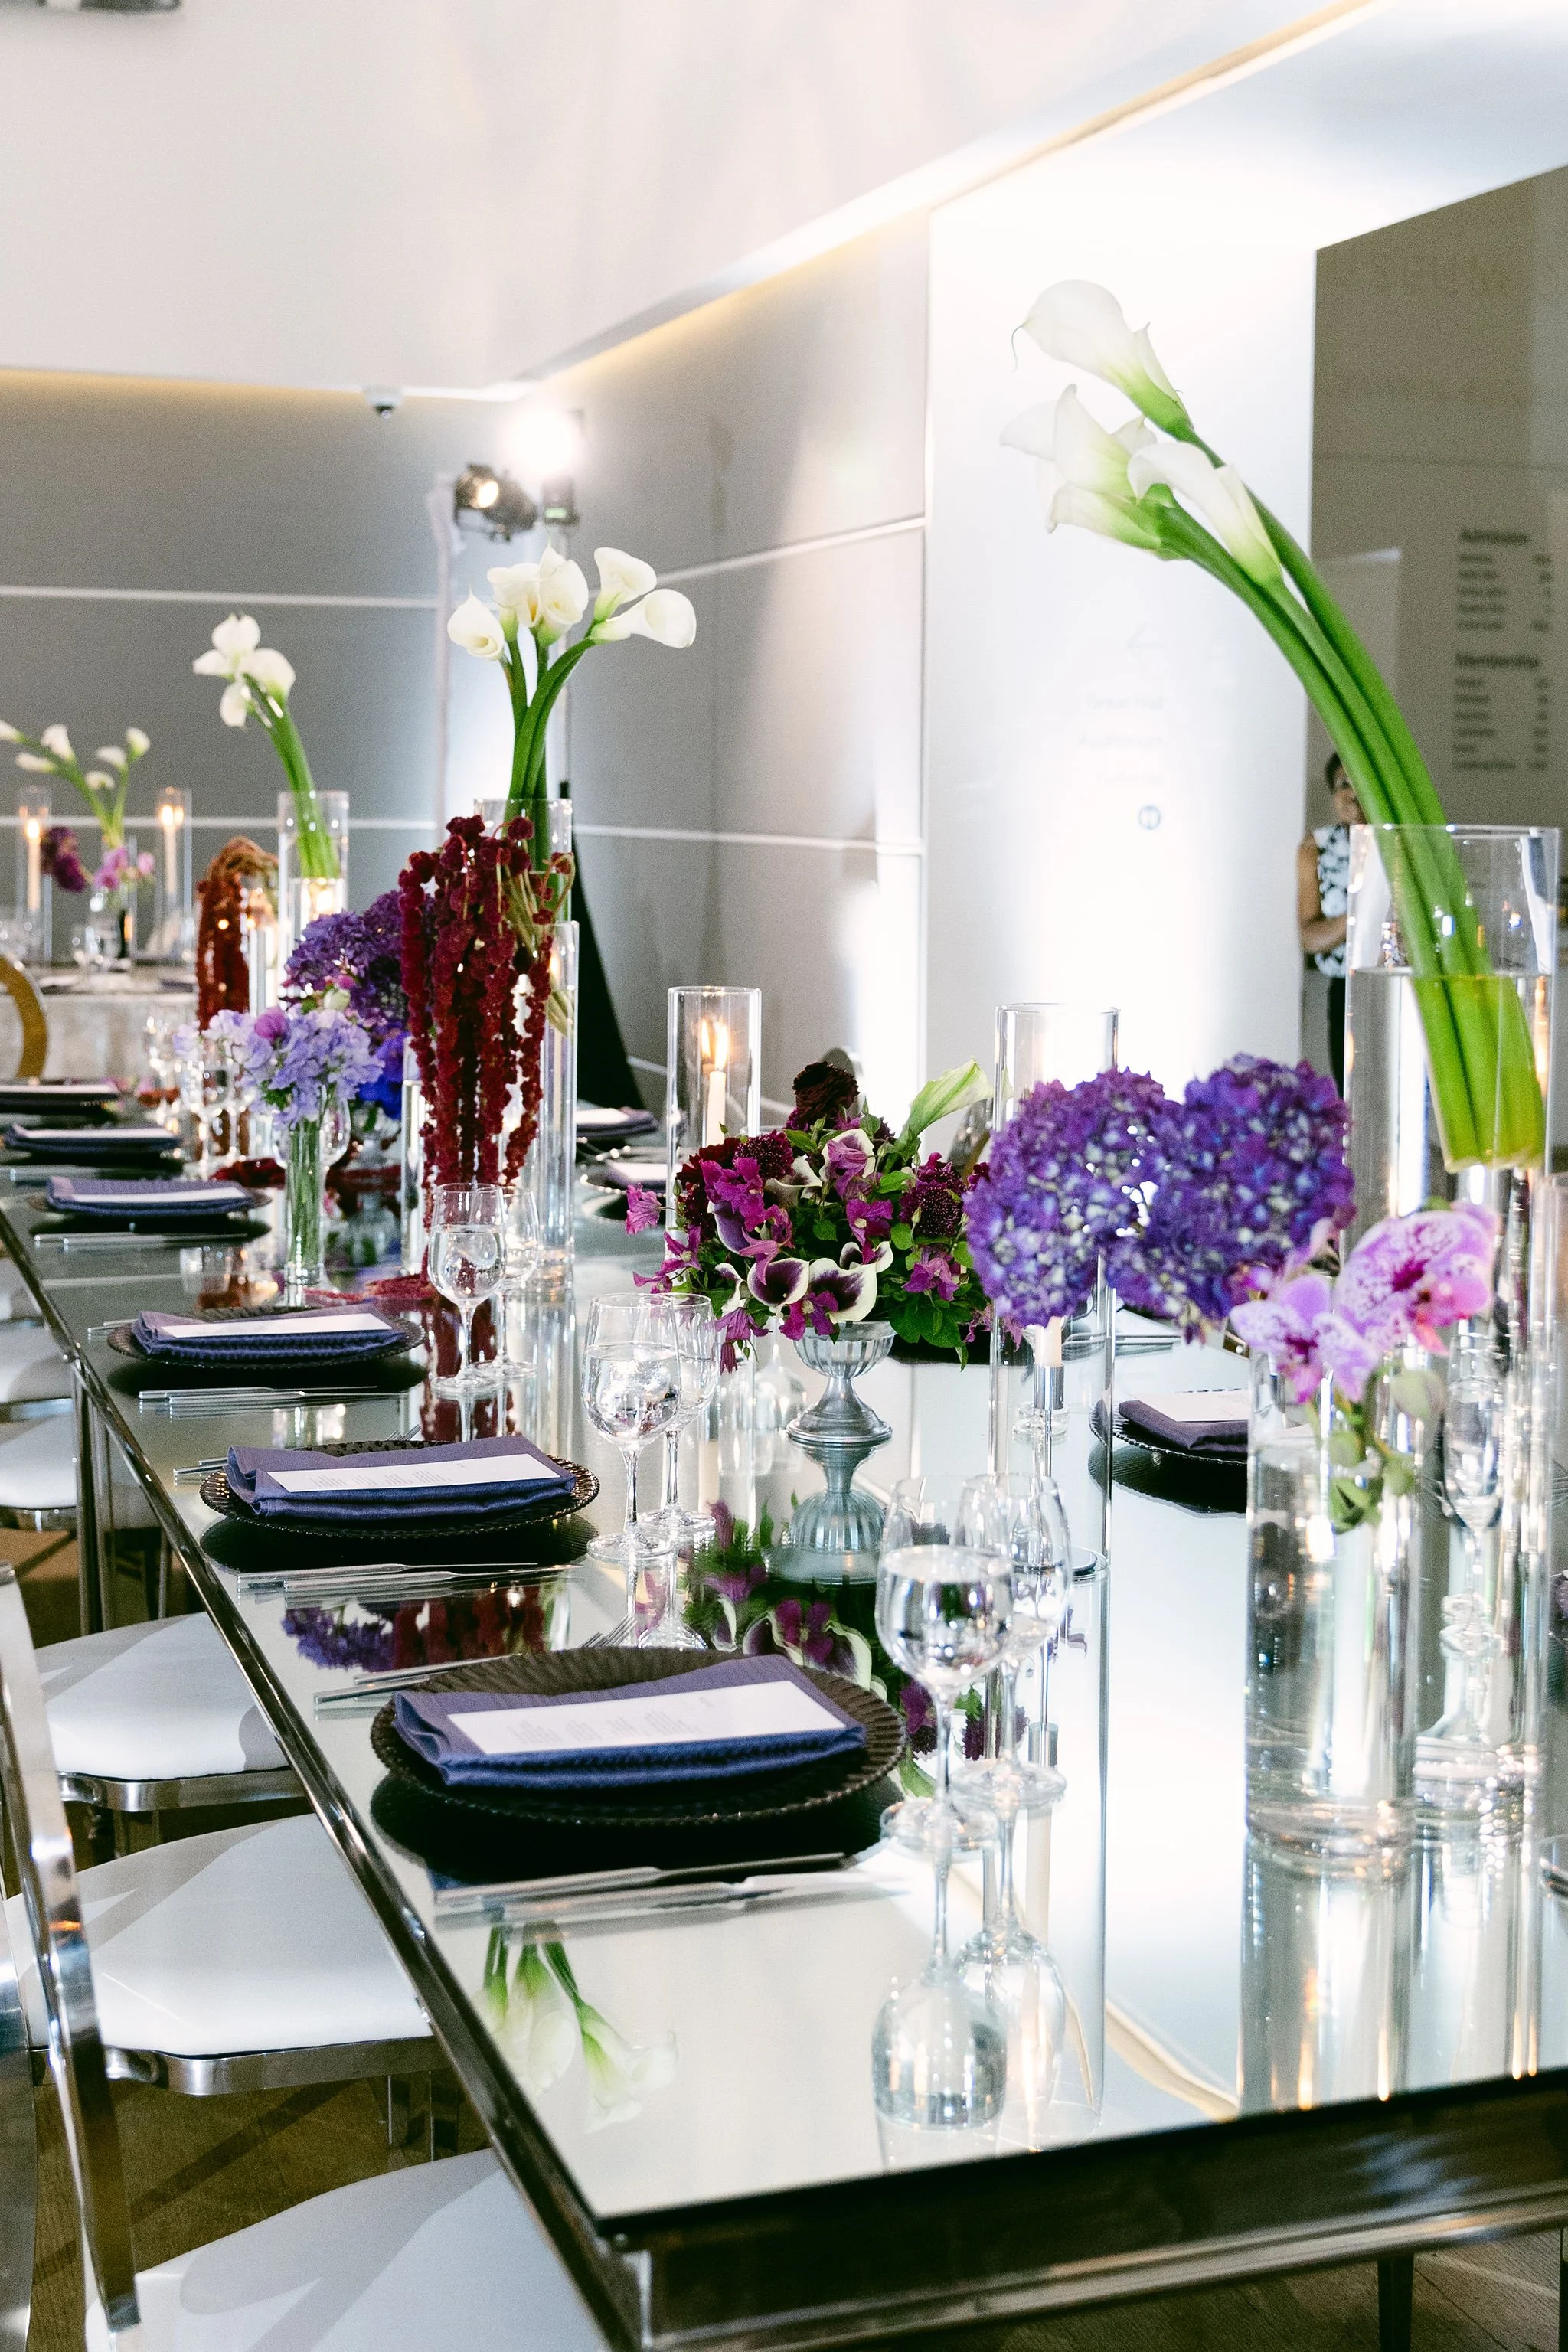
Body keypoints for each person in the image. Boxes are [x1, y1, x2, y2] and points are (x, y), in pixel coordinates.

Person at [1297, 753, 1364, 1096]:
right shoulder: (1317, 848)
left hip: (1408, 991)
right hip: (1346, 992)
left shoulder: (1406, 845)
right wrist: (1363, 911)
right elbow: (1310, 937)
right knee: (1351, 1093)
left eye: (1359, 783)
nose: (1351, 793)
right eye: (1342, 784)